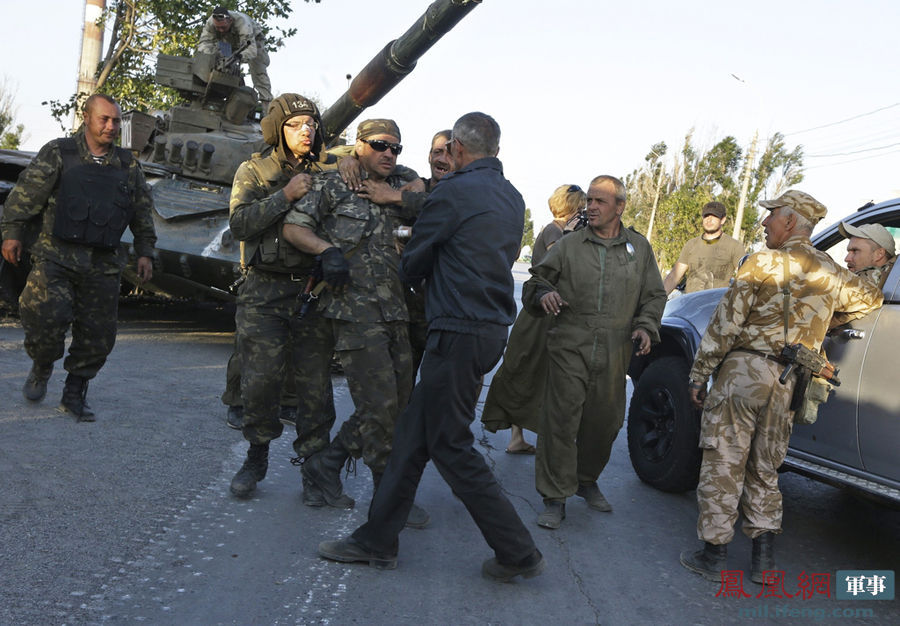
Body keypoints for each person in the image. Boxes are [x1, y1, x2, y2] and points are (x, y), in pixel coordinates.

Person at [316, 112, 545, 582]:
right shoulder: (512, 196)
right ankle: (377, 540)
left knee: (450, 444)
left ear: (459, 149)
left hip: (457, 331)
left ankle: (517, 550)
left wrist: (412, 260)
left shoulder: (453, 192)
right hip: (485, 331)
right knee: (411, 439)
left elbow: (416, 260)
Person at [680, 190, 883, 584]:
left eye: (771, 215)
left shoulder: (763, 262)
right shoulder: (832, 272)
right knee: (766, 467)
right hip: (788, 382)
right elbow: (869, 299)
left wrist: (698, 373)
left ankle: (714, 554)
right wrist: (823, 319)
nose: (764, 223)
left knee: (724, 460)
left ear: (790, 222)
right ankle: (763, 562)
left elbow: (725, 325)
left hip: (743, 373)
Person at [282, 119, 428, 527]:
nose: (389, 154)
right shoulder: (333, 184)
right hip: (353, 312)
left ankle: (325, 464)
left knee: (396, 405)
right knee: (379, 407)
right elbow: (293, 227)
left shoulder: (401, 183)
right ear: (359, 146)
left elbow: (422, 192)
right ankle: (389, 497)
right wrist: (326, 250)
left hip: (395, 309)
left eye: (396, 148)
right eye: (380, 145)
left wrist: (392, 194)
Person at [0, 94, 156, 421]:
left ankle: (74, 392)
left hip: (102, 263)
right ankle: (42, 365)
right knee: (42, 318)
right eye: (104, 119)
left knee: (98, 335)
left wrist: (145, 252)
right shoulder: (59, 153)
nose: (112, 126)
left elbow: (142, 212)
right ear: (86, 118)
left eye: (116, 121)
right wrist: (12, 232)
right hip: (55, 256)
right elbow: (26, 195)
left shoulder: (127, 166)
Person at [526, 175, 666, 530]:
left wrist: (646, 325)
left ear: (620, 207)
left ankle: (585, 479)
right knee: (561, 420)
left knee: (605, 422)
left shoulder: (639, 248)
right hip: (570, 342)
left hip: (616, 348)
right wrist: (544, 295)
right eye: (589, 200)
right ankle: (554, 496)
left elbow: (654, 294)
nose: (591, 206)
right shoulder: (571, 245)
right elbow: (537, 280)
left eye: (600, 201)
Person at [226, 93, 344, 505]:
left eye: (311, 123)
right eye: (295, 124)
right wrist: (285, 195)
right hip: (264, 290)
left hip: (312, 289)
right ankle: (256, 458)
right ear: (278, 129)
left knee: (315, 387)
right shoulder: (255, 169)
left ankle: (314, 471)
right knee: (260, 383)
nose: (306, 130)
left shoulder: (331, 171)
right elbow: (240, 223)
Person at [481, 183, 587, 455]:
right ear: (573, 206)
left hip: (552, 310)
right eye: (582, 205)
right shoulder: (555, 230)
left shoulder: (566, 231)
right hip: (540, 312)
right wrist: (570, 234)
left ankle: (520, 436)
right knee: (525, 370)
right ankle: (518, 434)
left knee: (538, 373)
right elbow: (557, 260)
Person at [662, 201, 746, 295]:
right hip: (691, 304)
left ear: (723, 220)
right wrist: (656, 301)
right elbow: (674, 277)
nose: (709, 220)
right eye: (706, 216)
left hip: (718, 305)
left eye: (714, 216)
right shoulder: (691, 244)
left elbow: (746, 280)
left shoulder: (734, 246)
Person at [197, 6, 272, 107]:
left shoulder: (243, 23)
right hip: (227, 41)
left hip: (253, 41)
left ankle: (267, 106)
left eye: (223, 27)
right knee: (224, 68)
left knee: (259, 72)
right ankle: (233, 94)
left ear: (230, 20)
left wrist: (239, 57)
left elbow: (251, 50)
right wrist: (212, 58)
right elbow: (204, 43)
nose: (220, 30)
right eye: (217, 28)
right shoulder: (211, 23)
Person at [839, 221, 896, 287]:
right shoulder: (892, 283)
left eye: (855, 251)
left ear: (879, 254)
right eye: (849, 252)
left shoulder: (868, 286)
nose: (846, 259)